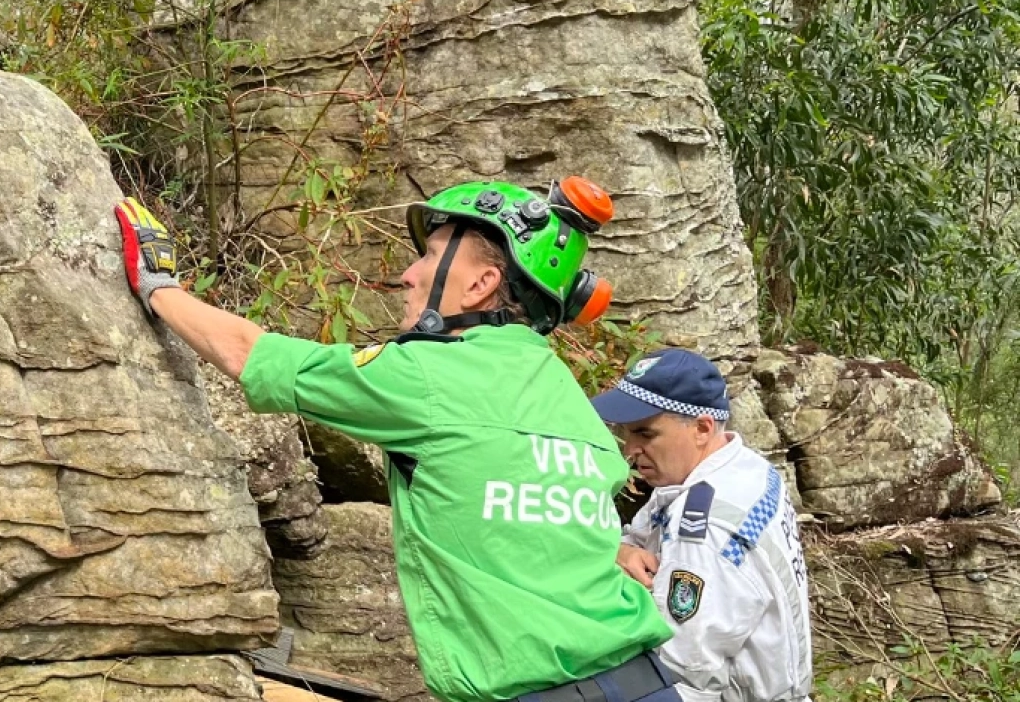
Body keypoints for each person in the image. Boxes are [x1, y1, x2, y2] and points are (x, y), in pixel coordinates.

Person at [115, 180, 682, 702]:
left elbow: (251, 355)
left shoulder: (426, 377)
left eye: (429, 257)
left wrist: (159, 287)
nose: (408, 275)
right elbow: (553, 518)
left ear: (483, 284)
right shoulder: (567, 394)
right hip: (647, 683)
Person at [591, 350, 813, 702]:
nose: (630, 450)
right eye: (625, 433)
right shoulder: (740, 468)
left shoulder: (704, 532)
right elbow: (642, 534)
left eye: (645, 434)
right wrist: (618, 550)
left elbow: (686, 676)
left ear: (701, 428)